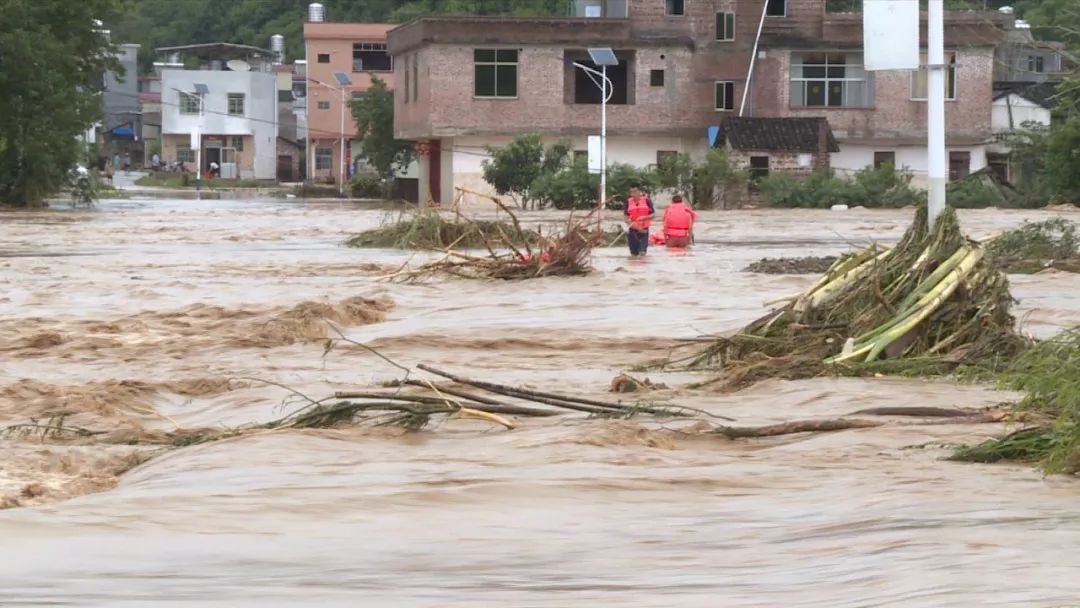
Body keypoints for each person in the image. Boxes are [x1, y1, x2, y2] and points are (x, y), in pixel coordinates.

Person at [624, 183, 655, 257]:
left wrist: (644, 217)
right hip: (633, 230)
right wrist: (631, 223)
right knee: (633, 254)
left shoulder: (647, 200)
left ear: (639, 191)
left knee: (642, 253)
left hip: (644, 230)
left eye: (635, 191)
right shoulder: (628, 202)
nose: (633, 194)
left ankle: (642, 268)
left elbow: (653, 215)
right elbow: (625, 217)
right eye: (631, 192)